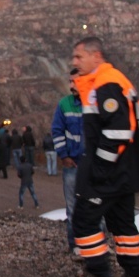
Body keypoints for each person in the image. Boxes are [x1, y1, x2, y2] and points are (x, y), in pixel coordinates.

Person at [70, 37, 139, 277]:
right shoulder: (108, 81)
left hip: (109, 173)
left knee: (84, 221)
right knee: (122, 225)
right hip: (123, 172)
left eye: (79, 57)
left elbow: (117, 132)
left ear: (95, 56)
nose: (75, 62)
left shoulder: (106, 83)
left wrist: (99, 170)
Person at [52, 68, 84, 260]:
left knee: (95, 206)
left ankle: (97, 245)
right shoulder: (64, 104)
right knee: (73, 207)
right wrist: (64, 155)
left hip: (92, 166)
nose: (72, 85)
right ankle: (76, 245)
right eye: (70, 81)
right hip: (72, 165)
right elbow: (57, 131)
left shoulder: (94, 104)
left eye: (75, 81)